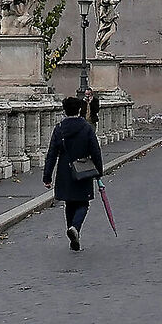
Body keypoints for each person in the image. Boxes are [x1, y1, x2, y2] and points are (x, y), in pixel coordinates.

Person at [43, 94, 104, 251]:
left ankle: (72, 232)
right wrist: (99, 172)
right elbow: (96, 151)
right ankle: (75, 228)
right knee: (83, 203)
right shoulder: (86, 128)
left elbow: (51, 154)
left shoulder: (59, 129)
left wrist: (47, 176)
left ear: (64, 111)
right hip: (83, 169)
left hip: (64, 170)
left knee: (69, 203)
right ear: (79, 110)